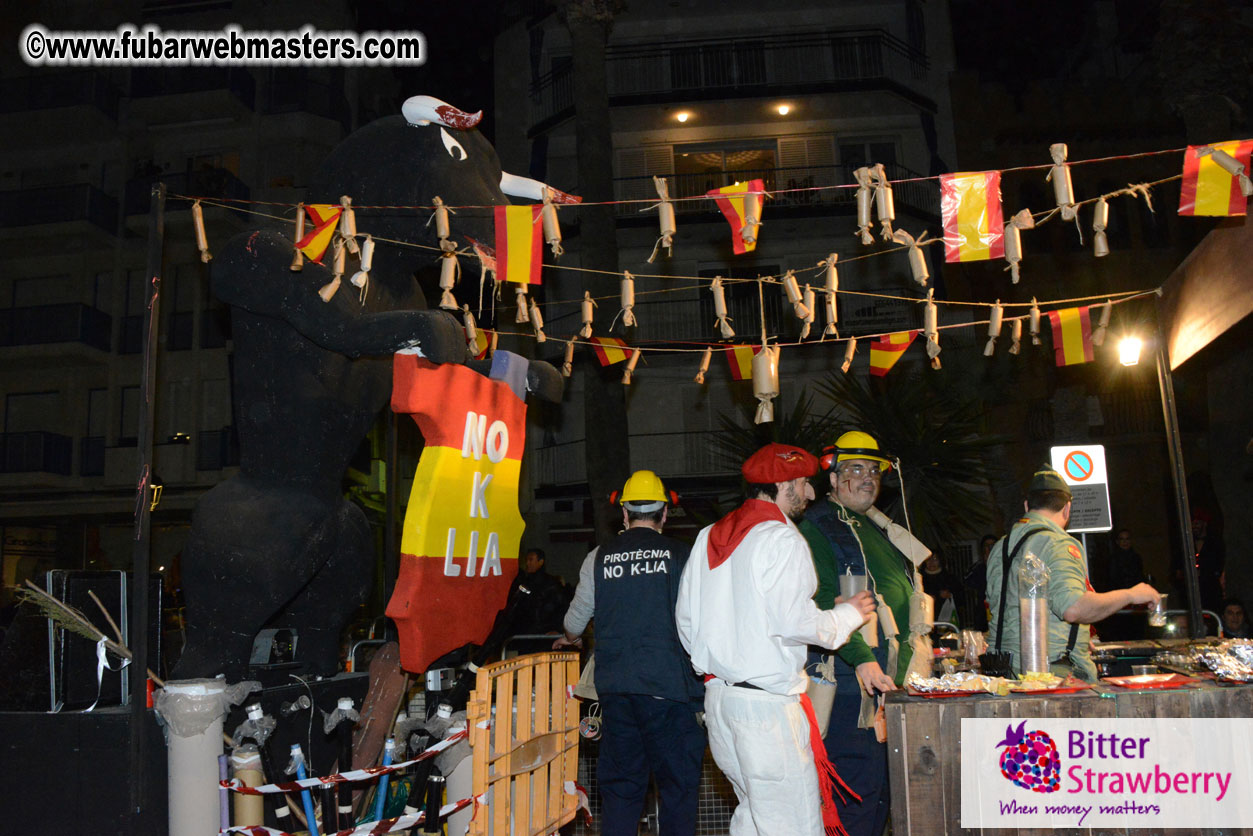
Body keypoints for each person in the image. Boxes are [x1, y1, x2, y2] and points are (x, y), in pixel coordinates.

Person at [676, 443, 876, 836]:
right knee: (794, 826)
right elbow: (797, 622)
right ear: (783, 485)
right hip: (766, 712)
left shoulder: (706, 536)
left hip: (720, 703)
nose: (811, 493)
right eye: (803, 483)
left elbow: (685, 621)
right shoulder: (783, 539)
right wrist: (850, 613)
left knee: (754, 818)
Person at [554, 471, 705, 836]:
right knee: (678, 792)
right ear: (664, 514)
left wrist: (570, 638)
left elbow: (575, 622)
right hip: (672, 693)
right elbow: (702, 620)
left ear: (623, 513)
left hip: (617, 692)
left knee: (621, 794)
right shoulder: (683, 555)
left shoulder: (598, 558)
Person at [798, 430, 933, 836]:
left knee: (880, 798)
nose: (867, 477)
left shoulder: (877, 528)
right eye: (855, 469)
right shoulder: (818, 526)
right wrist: (862, 659)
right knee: (854, 799)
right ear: (833, 479)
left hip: (888, 683)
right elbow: (824, 602)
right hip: (849, 686)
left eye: (873, 469)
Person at [986, 464, 1160, 681]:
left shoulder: (1000, 547)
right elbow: (1073, 608)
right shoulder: (1058, 543)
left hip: (1002, 672)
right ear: (1067, 509)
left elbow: (1008, 609)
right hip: (1050, 676)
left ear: (1027, 505)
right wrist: (1131, 595)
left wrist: (1076, 636)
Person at [493, 548, 570, 655]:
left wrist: (558, 629)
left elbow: (563, 607)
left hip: (543, 636)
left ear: (540, 562)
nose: (527, 563)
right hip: (525, 636)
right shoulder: (523, 582)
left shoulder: (551, 584)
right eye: (527, 560)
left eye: (531, 560)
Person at [961, 535, 996, 630]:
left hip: (999, 607)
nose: (989, 548)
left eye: (992, 546)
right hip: (982, 609)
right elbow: (966, 581)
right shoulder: (978, 567)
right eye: (986, 546)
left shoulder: (1004, 565)